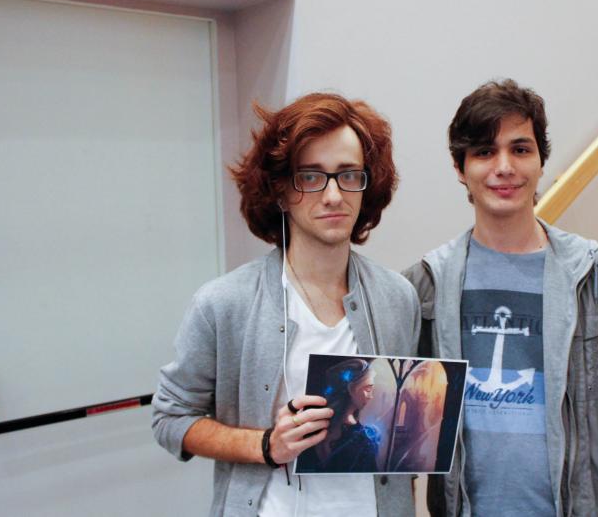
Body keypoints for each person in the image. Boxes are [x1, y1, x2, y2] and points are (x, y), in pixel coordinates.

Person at [404, 79, 598, 516]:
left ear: (541, 161)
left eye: (520, 149)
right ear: (460, 167)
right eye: (484, 152)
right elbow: (397, 427)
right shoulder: (425, 286)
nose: (504, 167)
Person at [152, 93, 420, 517]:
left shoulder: (398, 297)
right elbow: (170, 418)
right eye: (310, 177)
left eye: (348, 175)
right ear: (279, 192)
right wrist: (265, 444)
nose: (333, 195)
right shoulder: (225, 303)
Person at [297, 358, 381, 473]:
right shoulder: (363, 439)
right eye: (368, 389)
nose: (371, 396)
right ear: (351, 389)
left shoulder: (315, 424)